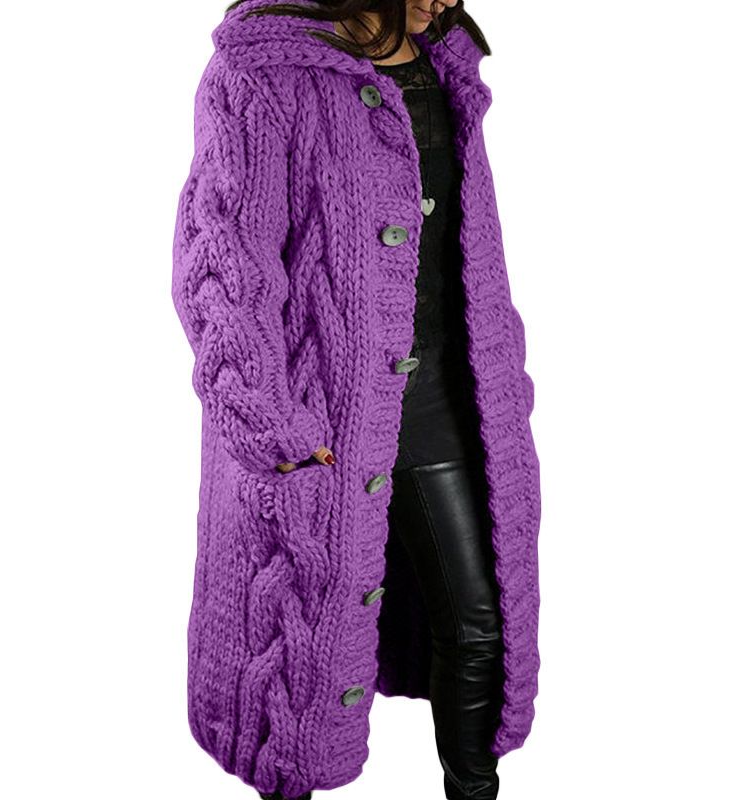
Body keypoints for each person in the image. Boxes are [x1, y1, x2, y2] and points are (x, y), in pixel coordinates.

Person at [171, 2, 541, 799]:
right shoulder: (264, 69)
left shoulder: (441, 60)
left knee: (481, 624)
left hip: (450, 399)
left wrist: (507, 368)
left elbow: (467, 242)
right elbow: (223, 268)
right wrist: (273, 427)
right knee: (298, 664)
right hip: (324, 417)